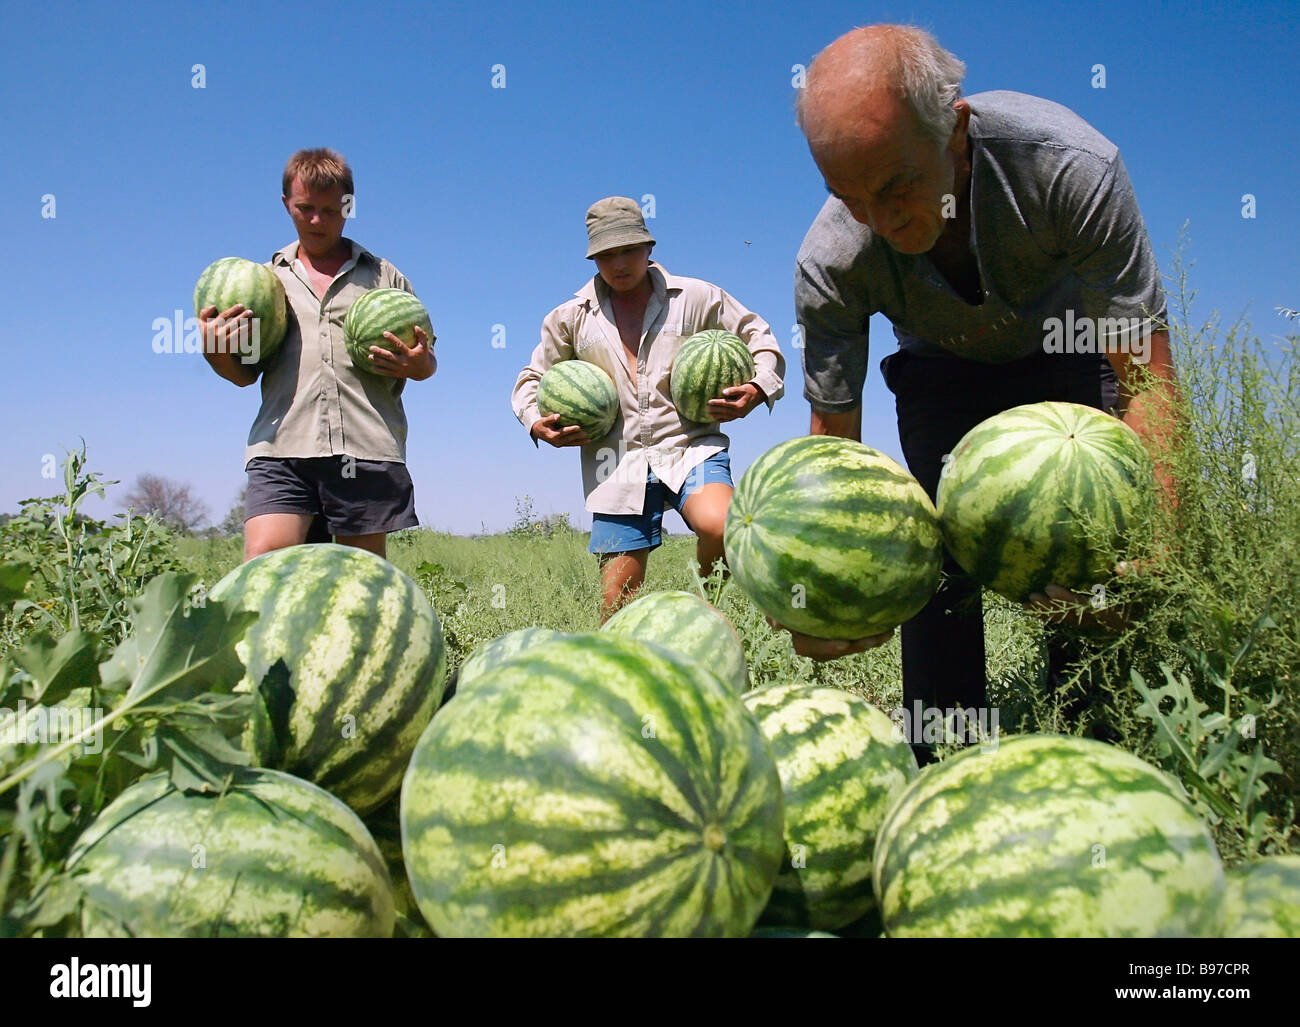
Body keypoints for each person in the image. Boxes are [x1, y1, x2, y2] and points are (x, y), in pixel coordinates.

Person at [787, 26, 1180, 762]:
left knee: (1084, 569)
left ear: (955, 129)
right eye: (849, 196)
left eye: (898, 185)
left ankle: (1099, 748)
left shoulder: (1068, 168)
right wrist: (826, 584)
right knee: (936, 579)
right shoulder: (832, 259)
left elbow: (1146, 377)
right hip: (943, 374)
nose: (878, 220)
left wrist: (1155, 555)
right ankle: (947, 764)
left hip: (1070, 355)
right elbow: (833, 453)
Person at [512, 197, 785, 620]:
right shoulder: (569, 318)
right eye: (606, 255)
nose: (619, 264)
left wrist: (757, 385)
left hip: (691, 445)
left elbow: (758, 335)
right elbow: (531, 379)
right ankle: (617, 671)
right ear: (593, 259)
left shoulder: (695, 297)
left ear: (649, 248)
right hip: (615, 461)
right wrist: (538, 423)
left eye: (629, 251)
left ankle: (700, 616)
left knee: (723, 525)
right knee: (617, 605)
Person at [200, 148, 436, 562]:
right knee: (264, 563)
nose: (315, 221)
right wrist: (214, 349)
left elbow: (427, 361)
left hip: (364, 446)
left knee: (358, 579)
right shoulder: (267, 280)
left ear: (348, 206)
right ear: (286, 204)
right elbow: (242, 375)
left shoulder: (384, 276)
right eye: (304, 208)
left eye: (330, 210)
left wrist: (418, 365)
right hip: (282, 444)